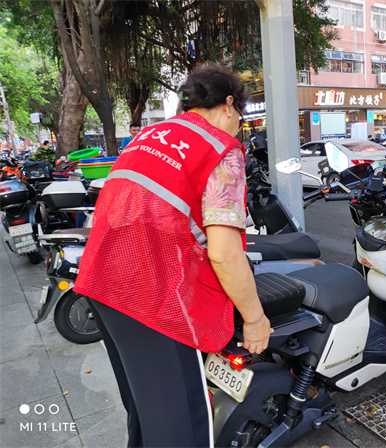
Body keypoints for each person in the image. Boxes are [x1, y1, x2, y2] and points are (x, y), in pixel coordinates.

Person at [73, 63, 272, 447]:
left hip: (102, 282)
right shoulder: (220, 149)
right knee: (182, 429)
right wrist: (255, 319)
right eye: (241, 117)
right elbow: (225, 254)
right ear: (229, 104)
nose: (238, 127)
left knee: (146, 413)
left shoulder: (150, 136)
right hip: (154, 302)